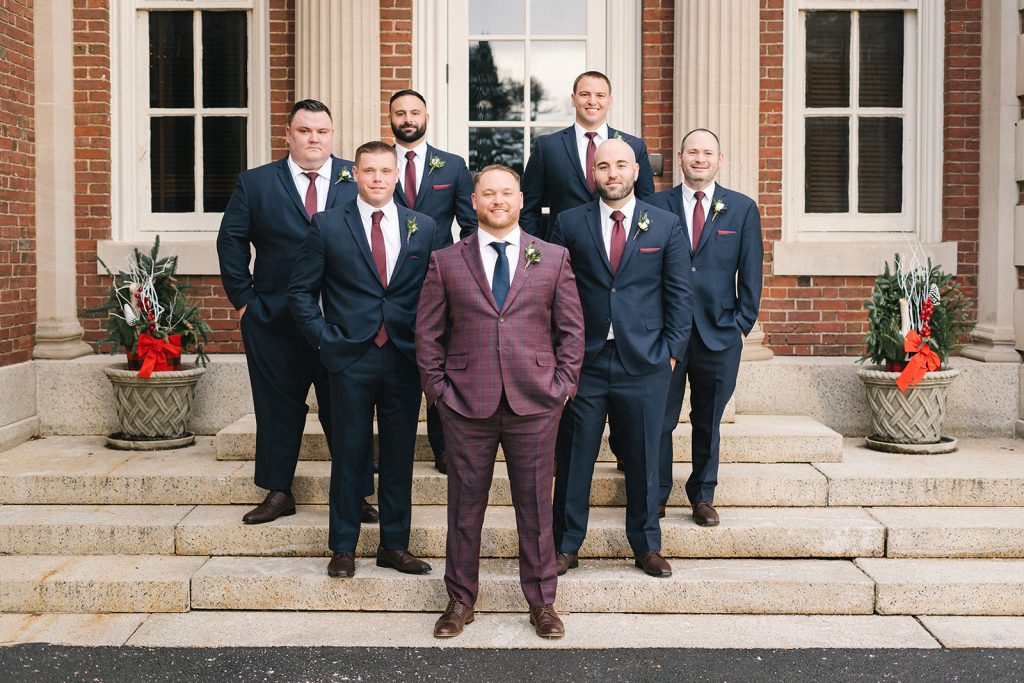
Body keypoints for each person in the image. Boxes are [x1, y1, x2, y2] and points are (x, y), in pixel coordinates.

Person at [417, 165, 584, 639]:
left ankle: (543, 604)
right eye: (488, 193)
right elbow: (428, 333)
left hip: (535, 402)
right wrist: (439, 392)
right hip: (466, 403)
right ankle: (460, 601)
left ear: (520, 199)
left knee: (535, 509)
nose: (497, 200)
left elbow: (572, 330)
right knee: (464, 507)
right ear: (473, 201)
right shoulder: (446, 260)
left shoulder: (551, 257)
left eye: (505, 193)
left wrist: (562, 385)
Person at [289, 141, 446, 578]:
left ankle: (394, 544)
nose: (377, 178)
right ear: (354, 174)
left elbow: (440, 292)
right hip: (348, 356)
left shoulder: (425, 227)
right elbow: (301, 292)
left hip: (402, 356)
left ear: (397, 175)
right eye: (368, 170)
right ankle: (343, 546)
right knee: (349, 453)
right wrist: (324, 338)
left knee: (399, 455)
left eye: (385, 171)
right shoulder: (327, 225)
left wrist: (430, 345)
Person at [217, 99, 377, 527]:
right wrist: (244, 299)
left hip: (341, 322)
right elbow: (231, 241)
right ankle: (278, 491)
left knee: (347, 408)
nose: (313, 139)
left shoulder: (355, 178)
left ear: (332, 135)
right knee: (277, 408)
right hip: (274, 319)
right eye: (304, 131)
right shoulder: (256, 184)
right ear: (288, 135)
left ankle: (356, 491)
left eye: (322, 132)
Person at [550, 139, 692, 578]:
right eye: (604, 166)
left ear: (636, 171)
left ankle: (646, 545)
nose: (612, 173)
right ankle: (565, 545)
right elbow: (552, 293)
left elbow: (679, 297)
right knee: (574, 459)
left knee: (645, 459)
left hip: (645, 363)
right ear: (593, 173)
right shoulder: (569, 223)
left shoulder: (665, 225)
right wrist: (561, 357)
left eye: (621, 165)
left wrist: (669, 353)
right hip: (584, 363)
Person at [647, 128, 763, 526]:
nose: (700, 159)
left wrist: (742, 326)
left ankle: (702, 495)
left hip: (719, 333)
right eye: (692, 152)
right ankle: (656, 495)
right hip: (666, 335)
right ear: (680, 157)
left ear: (720, 159)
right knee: (659, 419)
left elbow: (751, 272)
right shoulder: (654, 206)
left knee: (707, 418)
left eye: (707, 153)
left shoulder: (742, 208)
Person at [389, 88, 476, 475]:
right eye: (400, 112)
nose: (408, 118)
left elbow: (469, 225)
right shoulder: (374, 164)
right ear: (390, 117)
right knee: (391, 362)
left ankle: (443, 448)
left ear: (426, 117)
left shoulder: (452, 166)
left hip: (439, 281)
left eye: (415, 112)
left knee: (440, 360)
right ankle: (391, 447)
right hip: (386, 282)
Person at [520, 70, 655, 240]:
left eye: (600, 95)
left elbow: (647, 204)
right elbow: (528, 209)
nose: (592, 101)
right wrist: (538, 250)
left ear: (609, 100)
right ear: (573, 99)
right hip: (563, 250)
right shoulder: (547, 147)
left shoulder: (634, 146)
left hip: (617, 249)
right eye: (585, 94)